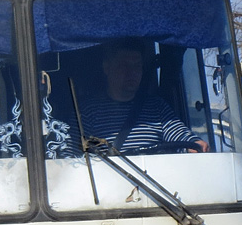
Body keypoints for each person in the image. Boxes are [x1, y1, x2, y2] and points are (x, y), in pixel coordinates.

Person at [80, 42, 208, 154]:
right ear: (107, 68)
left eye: (136, 66)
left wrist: (195, 143)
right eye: (124, 65)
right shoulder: (87, 112)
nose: (132, 72)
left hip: (153, 181)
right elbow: (71, 155)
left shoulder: (157, 107)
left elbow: (179, 134)